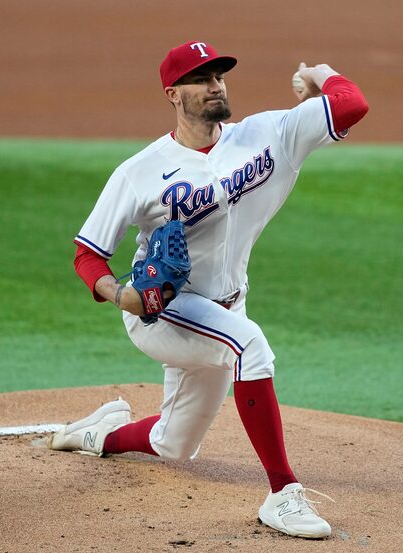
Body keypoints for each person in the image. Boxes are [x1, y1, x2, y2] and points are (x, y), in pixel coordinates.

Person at [49, 40, 368, 539]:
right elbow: (87, 254)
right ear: (173, 93)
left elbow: (352, 105)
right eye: (200, 79)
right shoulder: (139, 172)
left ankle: (97, 433)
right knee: (250, 346)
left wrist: (320, 76)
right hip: (159, 310)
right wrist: (118, 294)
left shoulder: (269, 135)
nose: (214, 85)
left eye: (218, 75)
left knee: (175, 445)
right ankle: (283, 494)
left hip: (225, 305)